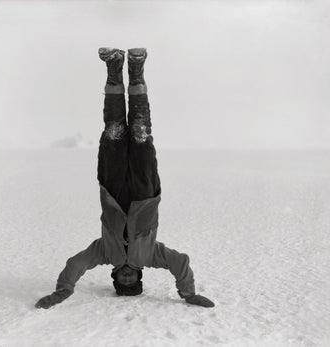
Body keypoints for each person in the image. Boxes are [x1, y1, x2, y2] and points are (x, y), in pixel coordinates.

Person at [35, 48, 214, 309]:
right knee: (141, 133)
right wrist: (187, 293)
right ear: (140, 276)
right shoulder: (151, 256)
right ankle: (137, 71)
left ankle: (114, 68)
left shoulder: (105, 253)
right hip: (145, 194)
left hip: (114, 191)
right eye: (133, 281)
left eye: (123, 281)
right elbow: (180, 262)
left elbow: (77, 264)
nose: (128, 277)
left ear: (115, 277)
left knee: (114, 131)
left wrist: (64, 290)